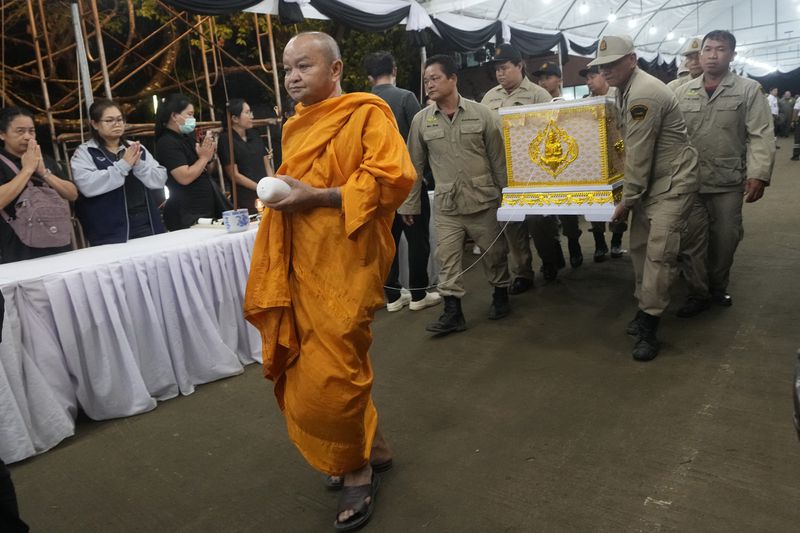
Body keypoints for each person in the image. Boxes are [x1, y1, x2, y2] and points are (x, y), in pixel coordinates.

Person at [243, 32, 415, 531]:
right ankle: (372, 450)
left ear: (336, 70)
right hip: (302, 263)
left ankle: (357, 470)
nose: (292, 78)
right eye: (287, 69)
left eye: (304, 66)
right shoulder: (297, 126)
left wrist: (313, 198)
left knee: (335, 370)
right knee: (318, 366)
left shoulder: (366, 113)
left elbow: (392, 180)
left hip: (349, 261)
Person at [589, 35, 699, 361]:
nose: (605, 70)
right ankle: (643, 307)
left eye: (612, 63)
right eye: (601, 65)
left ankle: (650, 322)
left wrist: (626, 202)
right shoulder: (623, 90)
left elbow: (637, 154)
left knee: (660, 254)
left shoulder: (643, 95)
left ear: (632, 59)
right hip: (651, 183)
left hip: (673, 183)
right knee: (638, 249)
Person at [399, 54, 511, 335]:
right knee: (446, 258)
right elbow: (414, 165)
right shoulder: (421, 121)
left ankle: (500, 294)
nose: (429, 85)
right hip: (448, 206)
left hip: (484, 201)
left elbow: (498, 159)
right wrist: (409, 205)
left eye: (435, 78)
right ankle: (452, 312)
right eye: (426, 81)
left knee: (494, 253)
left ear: (453, 79)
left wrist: (508, 197)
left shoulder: (482, 114)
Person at [674, 30, 775, 316]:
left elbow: (760, 135)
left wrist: (759, 174)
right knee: (691, 240)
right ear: (700, 54)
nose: (712, 55)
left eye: (720, 49)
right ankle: (698, 292)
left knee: (725, 239)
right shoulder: (682, 92)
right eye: (707, 49)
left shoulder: (747, 90)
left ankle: (717, 286)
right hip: (690, 180)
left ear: (732, 54)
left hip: (727, 181)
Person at [480, 43, 562, 292]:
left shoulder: (538, 95)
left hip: (533, 172)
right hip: (503, 172)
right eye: (497, 70)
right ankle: (523, 273)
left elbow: (553, 133)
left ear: (519, 66)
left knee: (540, 224)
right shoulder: (489, 97)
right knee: (513, 225)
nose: (500, 74)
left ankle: (549, 260)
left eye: (504, 68)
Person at [364, 51, 441, 312]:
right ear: (394, 70)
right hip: (408, 182)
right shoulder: (406, 97)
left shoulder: (361, 104)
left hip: (376, 186)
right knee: (417, 240)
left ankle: (393, 295)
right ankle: (419, 294)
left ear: (369, 77)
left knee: (387, 242)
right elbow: (422, 140)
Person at [71, 99, 167, 245]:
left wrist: (139, 165)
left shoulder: (136, 148)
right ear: (95, 124)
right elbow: (87, 186)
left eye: (119, 119)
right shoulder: (85, 152)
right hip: (108, 229)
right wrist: (123, 166)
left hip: (146, 222)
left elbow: (160, 179)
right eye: (109, 120)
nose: (116, 124)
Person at [0, 107, 77, 263]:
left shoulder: (44, 159)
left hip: (57, 243)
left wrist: (44, 173)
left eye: (31, 131)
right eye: (20, 131)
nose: (27, 136)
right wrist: (27, 170)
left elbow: (72, 194)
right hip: (18, 249)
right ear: (2, 134)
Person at [534, 61, 584, 268]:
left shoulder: (567, 106)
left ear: (559, 79)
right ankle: (555, 255)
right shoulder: (535, 107)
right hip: (542, 166)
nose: (543, 82)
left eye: (548, 77)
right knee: (545, 214)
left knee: (568, 210)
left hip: (565, 164)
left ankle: (574, 243)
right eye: (541, 78)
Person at [155, 93, 228, 230]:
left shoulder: (187, 137)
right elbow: (184, 177)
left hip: (205, 207)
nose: (193, 119)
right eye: (189, 114)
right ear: (175, 116)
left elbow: (205, 171)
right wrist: (204, 158)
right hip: (187, 213)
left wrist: (209, 156)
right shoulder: (166, 142)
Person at [580, 65, 627, 262]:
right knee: (594, 205)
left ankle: (617, 241)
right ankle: (600, 244)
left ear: (603, 75)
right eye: (587, 78)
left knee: (620, 204)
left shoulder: (621, 96)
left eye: (592, 77)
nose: (588, 81)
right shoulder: (586, 103)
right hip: (594, 163)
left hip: (619, 158)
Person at [218, 98, 274, 214]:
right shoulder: (226, 139)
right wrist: (260, 187)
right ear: (235, 118)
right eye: (247, 112)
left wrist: (271, 184)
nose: (251, 116)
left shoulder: (254, 134)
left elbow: (266, 163)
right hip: (245, 198)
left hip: (266, 193)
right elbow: (234, 174)